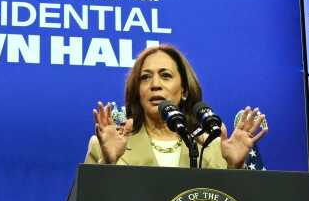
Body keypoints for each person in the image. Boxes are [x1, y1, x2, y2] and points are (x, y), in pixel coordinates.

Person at [85, 44, 268, 168]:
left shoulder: (213, 149)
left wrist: (234, 167)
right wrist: (107, 165)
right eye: (145, 77)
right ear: (137, 92)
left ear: (184, 91)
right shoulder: (103, 147)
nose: (155, 84)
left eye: (165, 75)